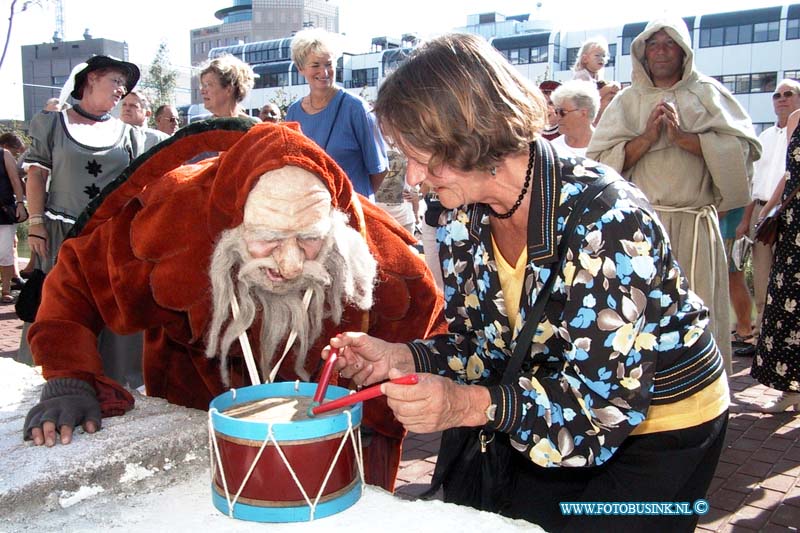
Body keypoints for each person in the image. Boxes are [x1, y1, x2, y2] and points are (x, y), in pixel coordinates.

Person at [326, 33, 729, 531]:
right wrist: (402, 357)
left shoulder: (607, 221)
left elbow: (595, 414)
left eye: (420, 156)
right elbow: (487, 348)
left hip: (658, 428)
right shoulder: (455, 215)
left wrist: (465, 405)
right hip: (554, 406)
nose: (411, 179)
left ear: (468, 133)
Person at [21, 120, 446, 493]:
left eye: (309, 238)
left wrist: (384, 407)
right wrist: (69, 375)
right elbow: (75, 276)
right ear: (233, 221)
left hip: (338, 438)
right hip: (196, 421)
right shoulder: (173, 223)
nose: (291, 263)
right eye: (270, 238)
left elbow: (437, 338)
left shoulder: (385, 265)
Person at [588, 18, 761, 374]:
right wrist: (646, 139)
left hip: (694, 225)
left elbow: (744, 154)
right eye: (653, 44)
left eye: (669, 43)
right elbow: (598, 166)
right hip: (640, 232)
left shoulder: (708, 94)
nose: (661, 50)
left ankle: (703, 397)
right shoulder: (626, 102)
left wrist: (689, 140)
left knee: (699, 315)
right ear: (643, 53)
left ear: (684, 51)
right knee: (641, 317)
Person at [21, 55, 146, 387]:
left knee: (115, 308)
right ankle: (60, 377)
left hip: (112, 240)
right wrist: (35, 223)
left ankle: (120, 382)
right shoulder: (52, 124)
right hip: (63, 235)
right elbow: (36, 177)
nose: (122, 90)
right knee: (63, 306)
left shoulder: (129, 135)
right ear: (92, 78)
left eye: (124, 84)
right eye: (116, 81)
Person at [734, 79, 800, 357]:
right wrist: (746, 220)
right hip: (763, 213)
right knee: (762, 278)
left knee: (788, 281)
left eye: (788, 94)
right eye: (777, 95)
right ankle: (761, 339)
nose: (781, 99)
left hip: (789, 213)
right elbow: (755, 182)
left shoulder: (795, 137)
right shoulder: (764, 139)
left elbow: (788, 177)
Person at [286, 28, 388, 201]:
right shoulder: (293, 112)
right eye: (315, 65)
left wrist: (355, 202)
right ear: (300, 68)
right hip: (310, 216)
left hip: (350, 218)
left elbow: (379, 170)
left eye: (329, 64)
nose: (324, 72)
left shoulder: (356, 109)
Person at [750, 108, 800, 412]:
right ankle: (790, 389)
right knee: (787, 303)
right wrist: (769, 211)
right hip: (793, 225)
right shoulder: (796, 118)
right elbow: (789, 173)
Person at [719, 207, 755, 352]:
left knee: (734, 277)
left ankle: (744, 328)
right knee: (733, 277)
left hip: (732, 227)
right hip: (730, 225)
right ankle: (742, 325)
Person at [0, 141, 27, 302]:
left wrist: (20, 203)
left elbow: (15, 180)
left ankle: (6, 289)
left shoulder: (4, 154)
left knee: (5, 252)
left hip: (3, 211)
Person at [571, 37, 620, 125]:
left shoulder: (597, 76)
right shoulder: (582, 76)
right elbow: (589, 99)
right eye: (597, 55)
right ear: (585, 59)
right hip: (583, 115)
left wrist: (614, 86)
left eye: (604, 56)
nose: (601, 58)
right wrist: (607, 89)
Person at [549, 80, 600, 158]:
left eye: (563, 112)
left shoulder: (605, 147)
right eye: (556, 112)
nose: (558, 117)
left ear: (583, 112)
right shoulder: (552, 149)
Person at [199, 54, 257, 120]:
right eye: (202, 86)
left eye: (207, 85)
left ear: (229, 89)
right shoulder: (199, 128)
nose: (202, 91)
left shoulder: (254, 128)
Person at [374, 149, 416, 235]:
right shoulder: (372, 140)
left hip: (403, 220)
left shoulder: (407, 143)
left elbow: (423, 176)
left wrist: (418, 195)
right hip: (377, 218)